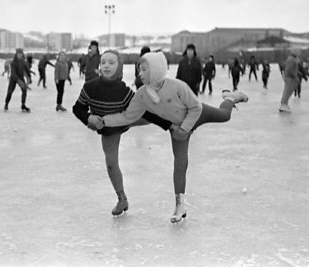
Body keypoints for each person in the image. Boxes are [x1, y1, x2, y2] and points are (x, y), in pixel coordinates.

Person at [92, 52, 248, 223]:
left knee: (225, 115)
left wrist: (185, 128)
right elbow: (128, 117)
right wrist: (104, 121)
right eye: (139, 70)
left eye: (144, 69)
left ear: (156, 70)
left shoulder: (176, 86)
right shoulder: (142, 94)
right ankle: (180, 205)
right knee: (180, 163)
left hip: (197, 115)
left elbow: (195, 107)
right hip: (178, 129)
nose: (140, 74)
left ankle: (230, 98)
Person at [72, 50, 173, 216]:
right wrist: (88, 118)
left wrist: (169, 125)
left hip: (125, 119)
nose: (106, 65)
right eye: (103, 62)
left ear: (119, 67)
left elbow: (144, 112)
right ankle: (122, 199)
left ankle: (174, 116)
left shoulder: (123, 91)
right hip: (109, 128)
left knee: (148, 115)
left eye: (111, 63)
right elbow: (77, 108)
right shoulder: (90, 87)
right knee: (111, 164)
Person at [4, 48, 32, 112]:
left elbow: (27, 69)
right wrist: (18, 80)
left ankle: (23, 105)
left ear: (22, 54)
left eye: (21, 54)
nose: (19, 55)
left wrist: (29, 78)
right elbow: (13, 73)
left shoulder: (23, 61)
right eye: (18, 54)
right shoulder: (13, 62)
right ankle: (6, 104)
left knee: (24, 90)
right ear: (16, 54)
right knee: (10, 91)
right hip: (13, 78)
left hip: (21, 77)